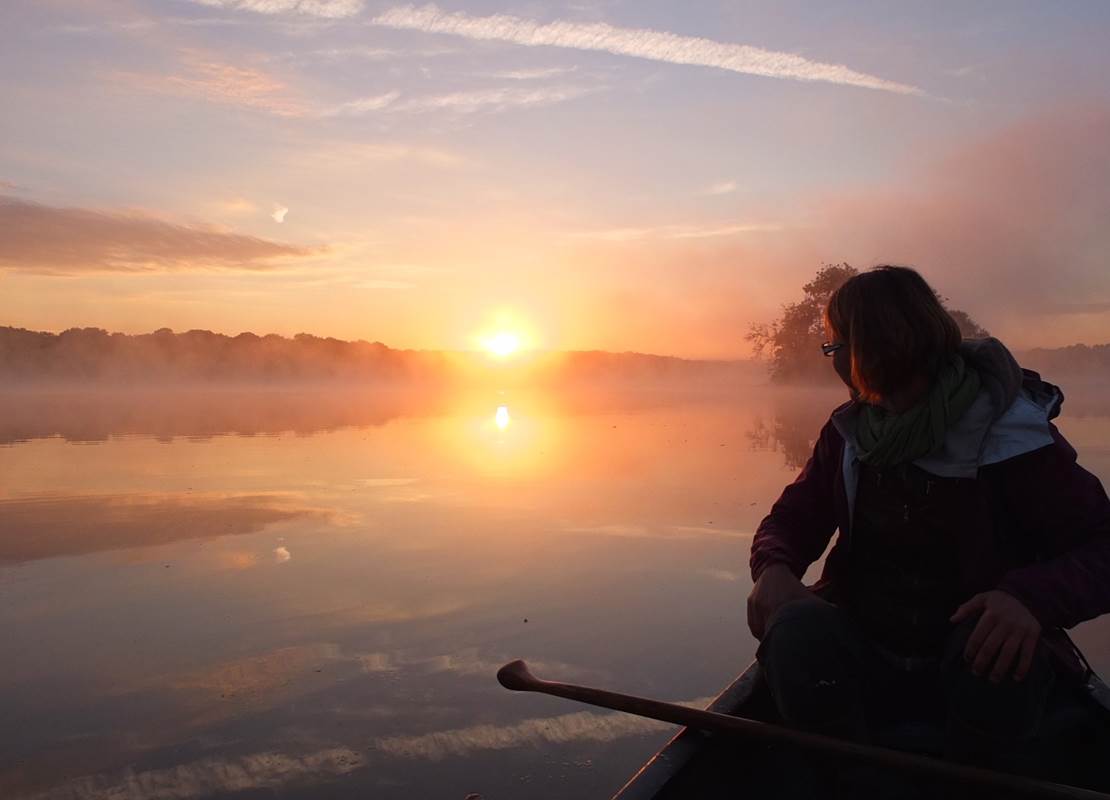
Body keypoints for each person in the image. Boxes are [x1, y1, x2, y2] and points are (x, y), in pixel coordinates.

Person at [746, 266, 1110, 791]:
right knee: (797, 634)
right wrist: (775, 567)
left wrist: (1029, 599)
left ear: (869, 348)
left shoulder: (1012, 436)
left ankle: (977, 780)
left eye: (834, 348)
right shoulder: (849, 432)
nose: (835, 363)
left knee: (997, 648)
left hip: (977, 668)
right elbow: (790, 518)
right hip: (870, 651)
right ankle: (851, 779)